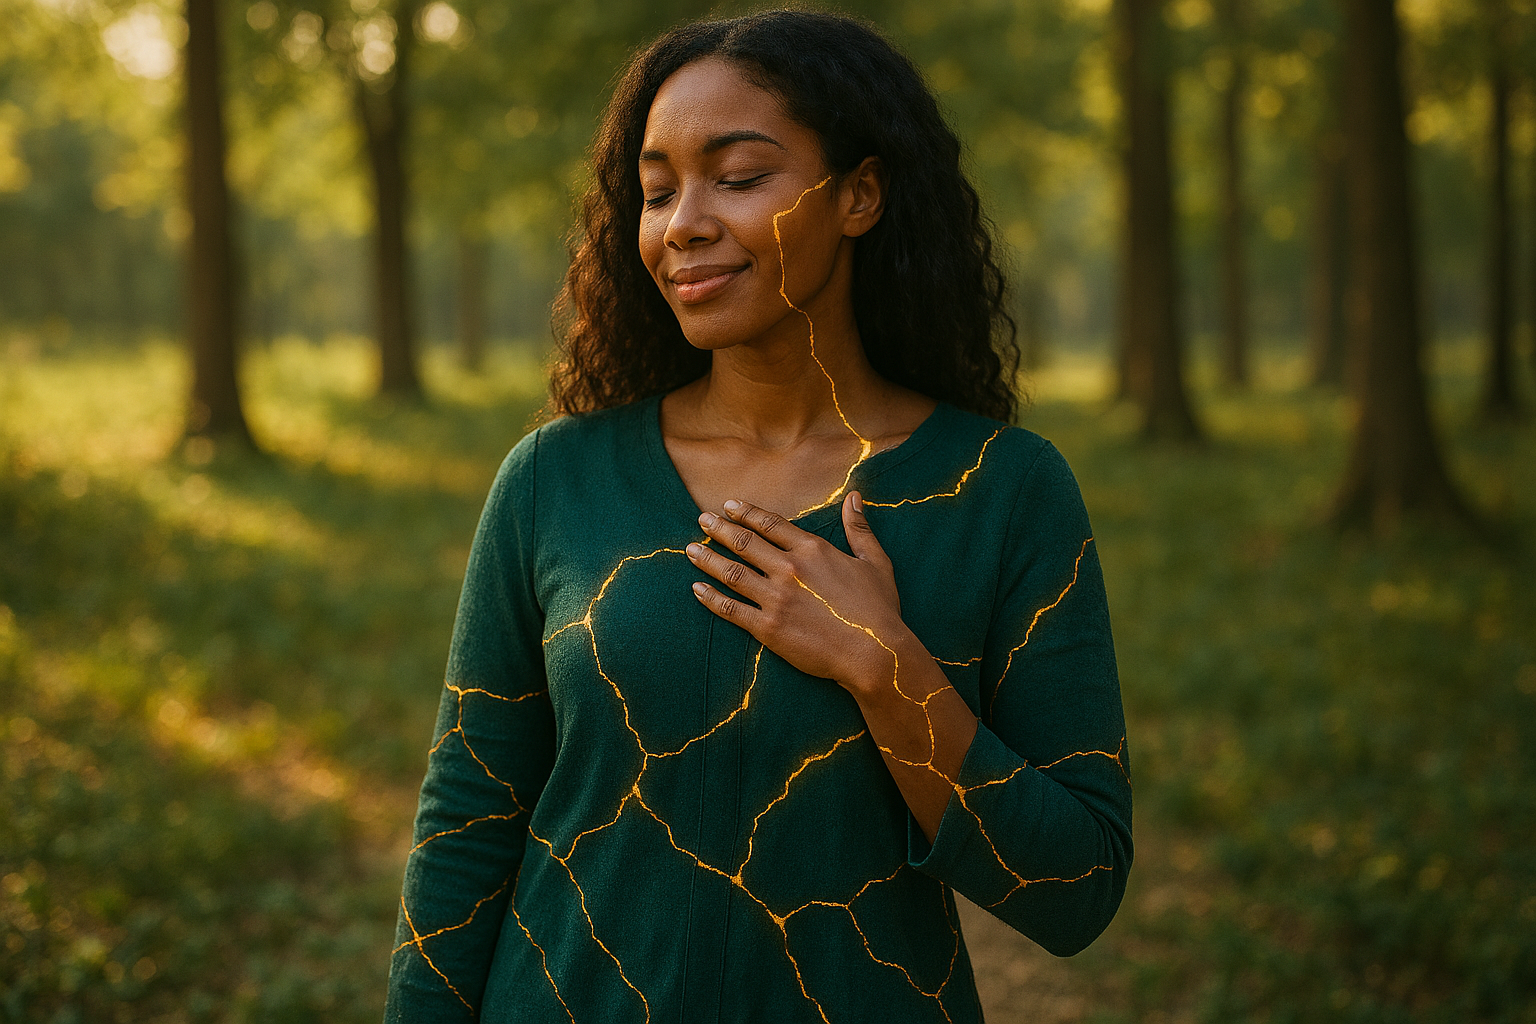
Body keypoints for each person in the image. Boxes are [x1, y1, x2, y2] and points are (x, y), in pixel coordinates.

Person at [385, 10, 1131, 1022]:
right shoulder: (554, 482)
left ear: (859, 195)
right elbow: (468, 821)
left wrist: (885, 665)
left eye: (737, 178)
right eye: (655, 191)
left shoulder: (1005, 489)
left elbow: (1075, 888)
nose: (684, 220)